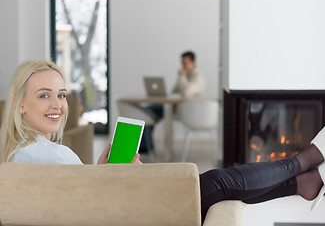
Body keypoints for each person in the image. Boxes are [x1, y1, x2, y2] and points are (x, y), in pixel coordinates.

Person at [1, 60, 325, 225]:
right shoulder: (45, 154)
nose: (58, 104)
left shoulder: (23, 157)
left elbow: (80, 198)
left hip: (123, 209)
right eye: (44, 96)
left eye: (60, 95)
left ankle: (299, 181)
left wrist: (101, 173)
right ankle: (305, 160)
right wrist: (117, 177)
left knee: (218, 184)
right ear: (20, 104)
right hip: (138, 214)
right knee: (219, 180)